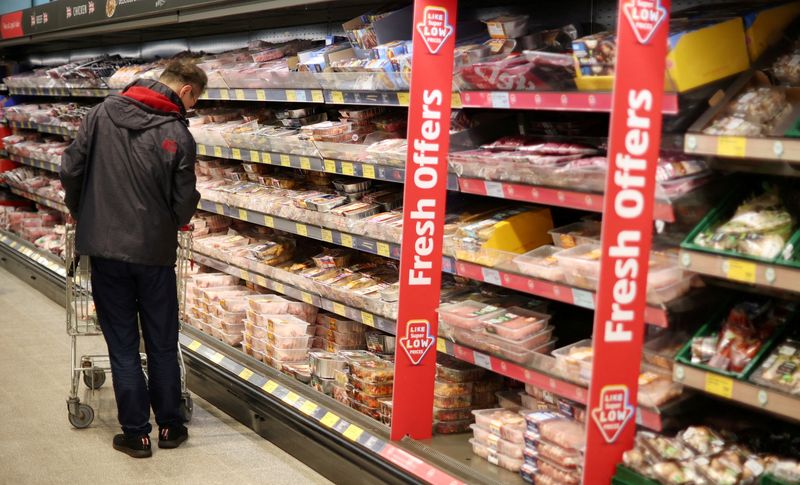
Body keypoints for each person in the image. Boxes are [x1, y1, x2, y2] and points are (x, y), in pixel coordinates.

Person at [60, 59, 207, 458]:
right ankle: (171, 428)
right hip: (155, 253)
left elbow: (71, 167)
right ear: (188, 91)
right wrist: (174, 221)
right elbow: (184, 199)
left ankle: (136, 434)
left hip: (105, 249)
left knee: (123, 345)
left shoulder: (101, 113)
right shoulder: (178, 132)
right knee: (161, 341)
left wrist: (80, 208)